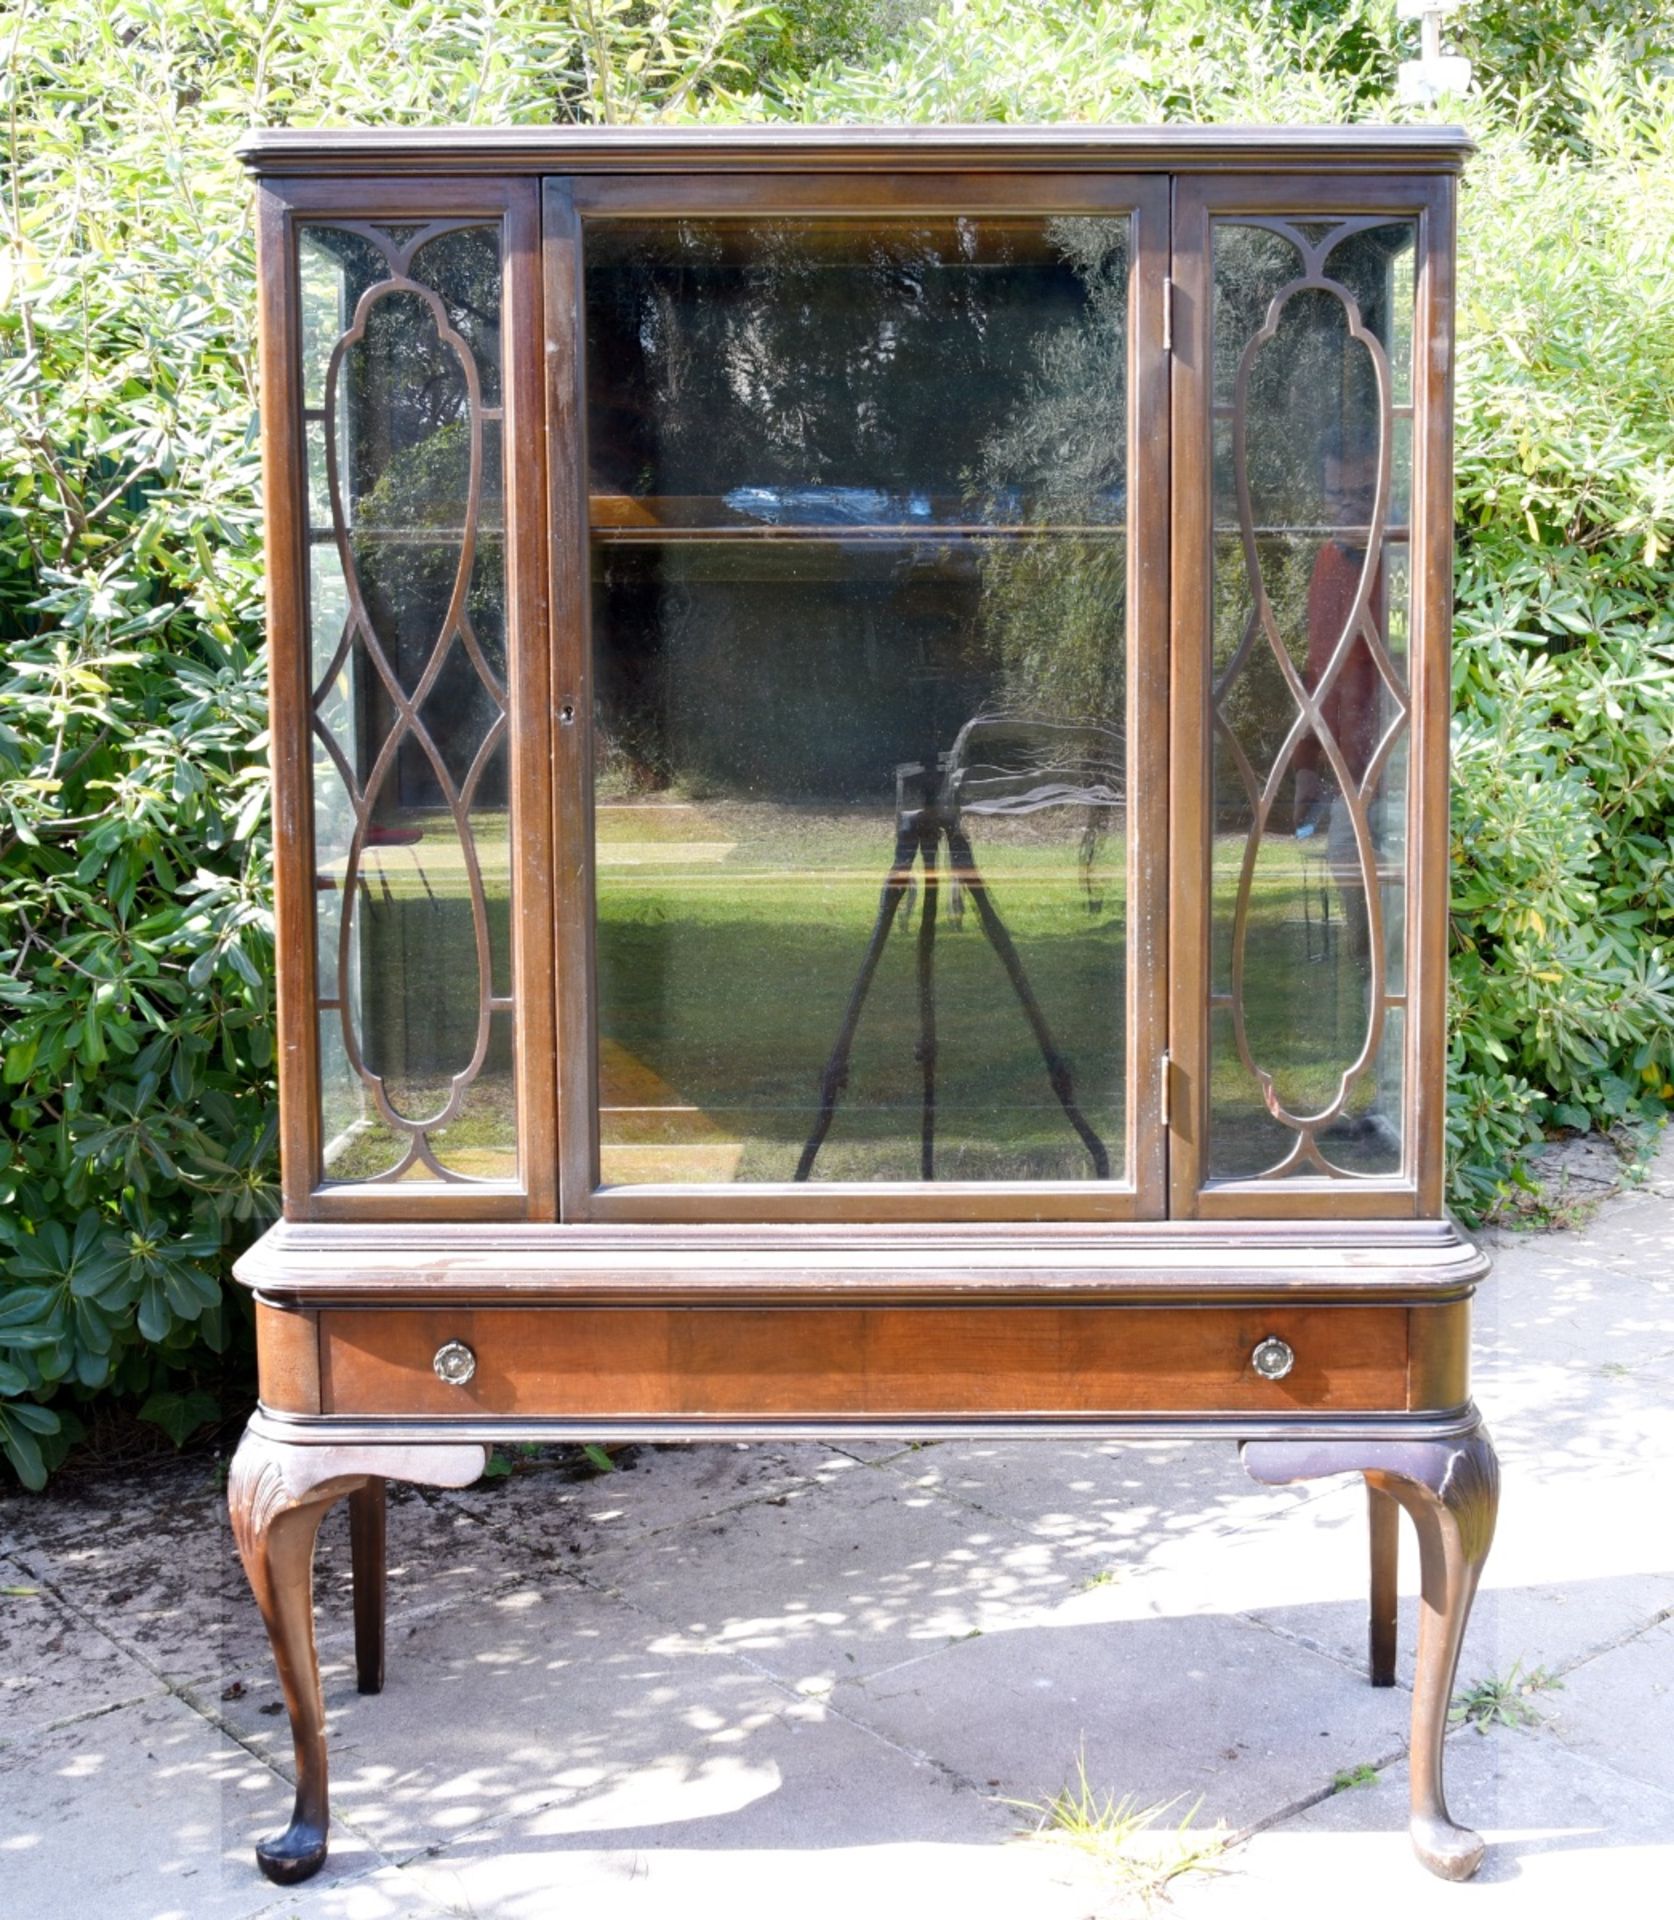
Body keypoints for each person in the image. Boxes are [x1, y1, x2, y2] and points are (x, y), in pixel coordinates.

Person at [1291, 424, 1401, 1161]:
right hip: (1345, 783)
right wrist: (1307, 776)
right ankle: (1375, 1097)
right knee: (1364, 947)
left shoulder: (1402, 563)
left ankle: (1392, 1104)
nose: (1348, 508)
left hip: (1394, 782)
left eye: (1362, 494)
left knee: (1396, 946)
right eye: (1337, 495)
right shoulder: (1331, 561)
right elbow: (1317, 674)